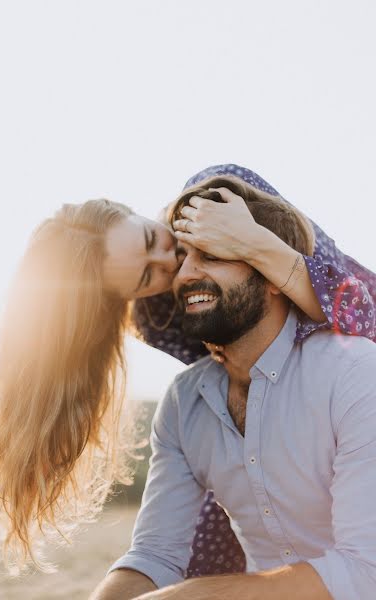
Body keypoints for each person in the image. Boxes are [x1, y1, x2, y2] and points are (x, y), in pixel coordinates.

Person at [0, 166, 374, 574]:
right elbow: (226, 384)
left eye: (151, 238)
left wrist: (255, 243)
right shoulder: (156, 315)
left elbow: (362, 315)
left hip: (348, 389)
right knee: (190, 566)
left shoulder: (216, 195)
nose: (170, 263)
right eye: (148, 276)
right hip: (270, 421)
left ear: (131, 211)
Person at [91, 175, 376, 600]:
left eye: (211, 253)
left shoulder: (353, 372)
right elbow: (154, 556)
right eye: (181, 258)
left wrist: (182, 597)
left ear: (270, 268)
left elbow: (364, 573)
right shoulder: (183, 401)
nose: (180, 272)